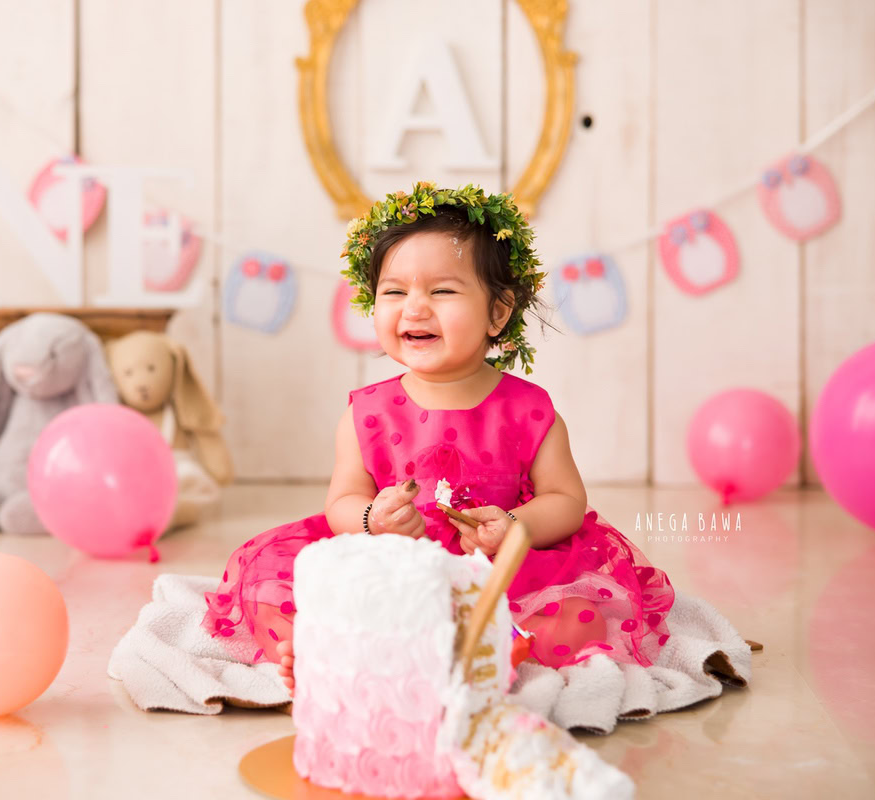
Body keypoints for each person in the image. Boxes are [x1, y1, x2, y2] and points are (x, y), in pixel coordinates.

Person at [202, 182, 675, 692]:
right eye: (395, 291)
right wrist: (372, 519)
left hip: (496, 574)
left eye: (442, 291)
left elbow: (566, 501)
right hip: (391, 565)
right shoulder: (368, 413)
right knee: (294, 588)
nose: (415, 308)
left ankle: (467, 654)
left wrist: (515, 525)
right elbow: (342, 500)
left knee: (578, 614)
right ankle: (338, 648)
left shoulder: (529, 412)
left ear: (497, 312)